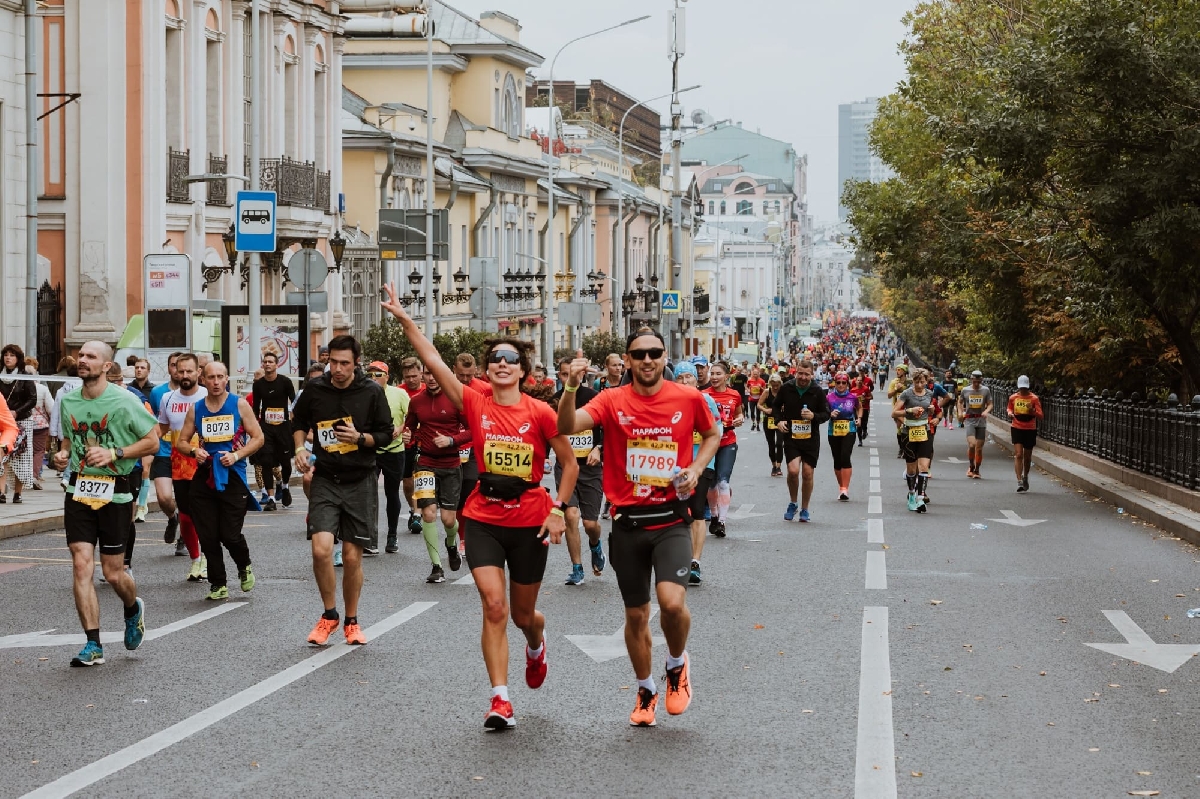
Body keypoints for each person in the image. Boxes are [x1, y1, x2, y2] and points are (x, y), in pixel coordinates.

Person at [382, 284, 577, 731]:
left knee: (524, 615)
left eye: (511, 359)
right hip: (484, 514)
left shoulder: (542, 413)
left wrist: (557, 509)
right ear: (487, 371)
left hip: (530, 515)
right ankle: (500, 699)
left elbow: (567, 465)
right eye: (496, 359)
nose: (502, 364)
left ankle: (535, 642)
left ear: (524, 371)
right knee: (494, 606)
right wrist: (404, 318)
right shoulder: (474, 401)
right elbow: (431, 358)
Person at [557, 329, 719, 728]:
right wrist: (571, 387)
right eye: (638, 354)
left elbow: (713, 432)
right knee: (636, 617)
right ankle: (646, 689)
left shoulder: (688, 397)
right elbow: (566, 425)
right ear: (627, 361)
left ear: (665, 357)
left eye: (654, 353)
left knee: (672, 603)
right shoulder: (612, 399)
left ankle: (677, 665)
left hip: (670, 519)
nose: (647, 360)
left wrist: (697, 468)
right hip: (628, 524)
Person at [54, 341, 157, 667]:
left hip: (115, 492)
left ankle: (131, 609)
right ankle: (93, 643)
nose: (82, 360)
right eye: (81, 355)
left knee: (113, 574)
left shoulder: (125, 401)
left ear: (107, 366)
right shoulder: (69, 401)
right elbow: (69, 439)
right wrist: (63, 455)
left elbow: (153, 440)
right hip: (79, 491)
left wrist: (115, 453)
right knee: (81, 564)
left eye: (90, 357)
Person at [292, 335, 394, 646]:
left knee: (351, 558)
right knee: (321, 549)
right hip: (325, 477)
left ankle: (352, 620)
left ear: (356, 363)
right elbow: (297, 420)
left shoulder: (372, 392)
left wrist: (360, 438)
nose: (336, 369)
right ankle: (329, 615)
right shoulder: (316, 389)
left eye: (344, 363)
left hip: (360, 479)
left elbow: (386, 434)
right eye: (332, 362)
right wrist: (299, 448)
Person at [176, 360, 264, 600]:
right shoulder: (196, 409)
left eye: (220, 377)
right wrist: (194, 451)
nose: (215, 382)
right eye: (211, 377)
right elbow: (181, 442)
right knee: (207, 534)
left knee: (230, 534)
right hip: (205, 477)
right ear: (203, 380)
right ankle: (218, 584)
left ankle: (244, 565)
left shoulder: (239, 404)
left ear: (227, 379)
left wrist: (236, 455)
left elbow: (258, 438)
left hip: (232, 477)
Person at [402, 359, 471, 581]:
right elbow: (410, 427)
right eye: (427, 373)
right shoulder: (416, 401)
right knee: (429, 514)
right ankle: (436, 566)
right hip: (425, 463)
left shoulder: (455, 399)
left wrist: (452, 440)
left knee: (449, 520)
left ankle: (451, 544)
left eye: (434, 373)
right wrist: (407, 435)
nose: (431, 378)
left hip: (451, 464)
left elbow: (472, 430)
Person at [552, 357, 605, 586]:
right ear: (560, 376)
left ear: (582, 375)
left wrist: (598, 447)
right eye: (564, 375)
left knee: (591, 524)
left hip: (590, 468)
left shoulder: (593, 398)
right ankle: (577, 568)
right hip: (565, 467)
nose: (568, 378)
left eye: (571, 374)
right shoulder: (555, 401)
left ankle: (595, 545)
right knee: (571, 516)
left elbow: (606, 427)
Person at [157, 354, 208, 580]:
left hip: (206, 464)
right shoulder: (167, 399)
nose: (185, 376)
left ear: (199, 372)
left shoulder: (208, 395)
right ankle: (196, 560)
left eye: (190, 371)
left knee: (205, 515)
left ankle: (207, 557)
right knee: (186, 516)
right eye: (181, 371)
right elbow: (161, 429)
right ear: (175, 371)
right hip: (179, 466)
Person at [673, 361, 721, 586]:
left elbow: (716, 432)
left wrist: (703, 460)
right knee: (680, 512)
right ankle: (678, 556)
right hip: (675, 465)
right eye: (680, 378)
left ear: (696, 380)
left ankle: (695, 562)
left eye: (688, 378)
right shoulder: (669, 402)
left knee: (697, 510)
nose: (684, 382)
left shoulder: (706, 401)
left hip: (702, 463)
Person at [773, 360, 831, 522]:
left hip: (810, 438)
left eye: (807, 374)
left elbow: (826, 413)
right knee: (793, 471)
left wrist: (814, 416)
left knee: (807, 473)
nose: (803, 377)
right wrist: (779, 421)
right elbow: (776, 406)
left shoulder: (817, 391)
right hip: (791, 435)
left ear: (812, 374)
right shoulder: (787, 388)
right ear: (795, 372)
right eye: (800, 373)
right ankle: (793, 502)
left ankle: (805, 508)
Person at [368, 361, 410, 554]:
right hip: (372, 451)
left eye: (378, 374)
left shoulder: (399, 394)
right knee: (368, 494)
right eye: (370, 374)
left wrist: (400, 429)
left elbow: (411, 418)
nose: (374, 378)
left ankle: (392, 535)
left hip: (395, 450)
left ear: (387, 376)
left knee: (392, 493)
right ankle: (369, 536)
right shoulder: (364, 393)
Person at [702, 361, 744, 538]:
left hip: (728, 442)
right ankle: (713, 515)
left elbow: (739, 413)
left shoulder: (734, 395)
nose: (714, 377)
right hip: (708, 444)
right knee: (711, 483)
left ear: (727, 376)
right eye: (712, 374)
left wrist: (739, 419)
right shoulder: (703, 395)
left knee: (723, 481)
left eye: (718, 374)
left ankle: (722, 522)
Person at [250, 351, 296, 511]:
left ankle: (284, 486)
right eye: (265, 361)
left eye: (271, 361)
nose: (268, 364)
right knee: (266, 462)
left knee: (285, 463)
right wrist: (255, 427)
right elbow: (255, 407)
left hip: (283, 427)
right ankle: (270, 498)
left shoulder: (285, 382)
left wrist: (292, 418)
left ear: (277, 365)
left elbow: (294, 401)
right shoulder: (258, 384)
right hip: (266, 427)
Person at [149, 352, 183, 547]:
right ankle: (172, 517)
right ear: (169, 368)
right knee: (163, 497)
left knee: (186, 499)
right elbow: (156, 421)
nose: (177, 370)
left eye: (181, 366)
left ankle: (184, 539)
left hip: (187, 453)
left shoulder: (198, 393)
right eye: (173, 365)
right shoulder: (157, 393)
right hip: (164, 451)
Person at [893, 368, 938, 512]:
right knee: (911, 468)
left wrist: (932, 412)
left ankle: (920, 498)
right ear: (913, 381)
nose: (919, 385)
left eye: (922, 382)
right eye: (917, 382)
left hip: (924, 432)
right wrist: (909, 411)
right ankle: (912, 494)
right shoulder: (907, 393)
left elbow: (935, 411)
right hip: (909, 432)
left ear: (927, 381)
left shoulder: (930, 394)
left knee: (924, 466)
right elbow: (894, 412)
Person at [0, 343, 35, 503]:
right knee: (2, 455)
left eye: (12, 355)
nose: (8, 358)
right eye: (6, 355)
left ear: (18, 358)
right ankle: (1, 492)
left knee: (21, 457)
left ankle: (18, 493)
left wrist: (17, 411)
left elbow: (32, 399)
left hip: (23, 420)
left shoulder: (25, 375)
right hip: (3, 422)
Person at [398, 356, 426, 535]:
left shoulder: (427, 390)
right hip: (406, 442)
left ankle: (418, 513)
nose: (411, 380)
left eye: (414, 376)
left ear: (421, 373)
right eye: (408, 377)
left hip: (425, 442)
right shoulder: (399, 391)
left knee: (421, 477)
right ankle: (413, 508)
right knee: (408, 482)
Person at [826, 372, 862, 501]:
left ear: (847, 384)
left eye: (843, 383)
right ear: (835, 383)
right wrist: (830, 414)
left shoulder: (853, 397)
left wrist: (859, 418)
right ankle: (841, 486)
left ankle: (845, 489)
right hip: (833, 430)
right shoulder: (829, 397)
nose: (841, 385)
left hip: (849, 429)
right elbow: (824, 412)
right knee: (837, 459)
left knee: (845, 456)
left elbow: (859, 408)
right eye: (838, 383)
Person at [1007, 375, 1043, 493]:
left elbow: (1041, 416)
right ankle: (1019, 481)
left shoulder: (1034, 399)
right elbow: (1009, 408)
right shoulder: (1013, 397)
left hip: (1030, 428)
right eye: (1021, 388)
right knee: (1018, 454)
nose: (1023, 390)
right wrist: (1010, 413)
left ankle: (1025, 476)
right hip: (1017, 427)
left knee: (1027, 457)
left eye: (1025, 388)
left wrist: (1033, 411)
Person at [958, 370, 993, 478]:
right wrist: (960, 412)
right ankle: (971, 466)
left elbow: (990, 404)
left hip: (981, 421)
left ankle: (977, 470)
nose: (976, 384)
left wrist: (986, 411)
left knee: (979, 448)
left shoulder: (985, 390)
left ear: (981, 380)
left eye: (978, 382)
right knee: (972, 444)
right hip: (970, 420)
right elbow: (960, 402)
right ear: (971, 380)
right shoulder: (965, 390)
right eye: (974, 382)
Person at [28, 361, 53, 489]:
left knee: (25, 450)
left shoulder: (19, 387)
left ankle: (23, 475)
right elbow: (51, 408)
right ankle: (33, 475)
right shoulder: (42, 389)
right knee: (38, 451)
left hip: (22, 423)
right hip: (40, 425)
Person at [758, 373, 785, 477]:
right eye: (773, 384)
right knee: (771, 444)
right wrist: (765, 410)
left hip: (781, 420)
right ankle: (774, 465)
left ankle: (779, 466)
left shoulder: (783, 392)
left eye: (777, 384)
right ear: (770, 383)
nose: (775, 386)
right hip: (769, 420)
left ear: (780, 383)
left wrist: (784, 408)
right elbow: (759, 405)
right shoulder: (766, 392)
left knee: (779, 443)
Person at [887, 364, 911, 459]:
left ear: (904, 372)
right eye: (897, 370)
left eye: (899, 370)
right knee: (900, 428)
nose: (897, 372)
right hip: (897, 409)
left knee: (907, 429)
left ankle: (906, 448)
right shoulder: (894, 382)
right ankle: (901, 448)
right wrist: (896, 389)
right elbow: (889, 395)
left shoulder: (909, 383)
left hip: (908, 409)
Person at [852, 364, 875, 447]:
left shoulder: (866, 385)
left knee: (864, 422)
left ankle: (865, 431)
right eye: (860, 371)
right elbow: (851, 397)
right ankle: (860, 440)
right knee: (858, 423)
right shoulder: (853, 388)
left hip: (865, 407)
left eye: (862, 372)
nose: (859, 381)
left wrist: (865, 397)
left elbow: (871, 392)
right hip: (857, 408)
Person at [745, 366, 766, 431]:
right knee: (751, 411)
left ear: (758, 374)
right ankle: (753, 423)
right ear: (752, 374)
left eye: (756, 374)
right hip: (751, 399)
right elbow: (746, 386)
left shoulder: (762, 381)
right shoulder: (750, 380)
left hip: (759, 399)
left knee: (758, 413)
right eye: (754, 374)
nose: (755, 375)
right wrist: (748, 390)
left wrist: (761, 388)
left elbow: (765, 389)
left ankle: (757, 425)